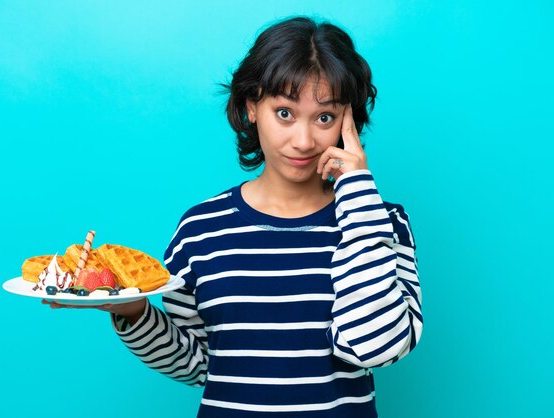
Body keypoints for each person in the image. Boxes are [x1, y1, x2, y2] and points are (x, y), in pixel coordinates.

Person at [45, 16, 423, 417]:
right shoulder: (201, 230)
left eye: (325, 118)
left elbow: (376, 346)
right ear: (251, 106)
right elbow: (198, 365)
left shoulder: (381, 222)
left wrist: (359, 193)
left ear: (349, 121)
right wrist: (132, 311)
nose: (304, 140)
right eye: (284, 113)